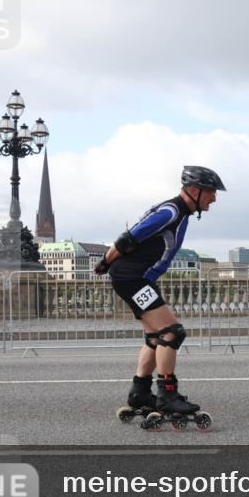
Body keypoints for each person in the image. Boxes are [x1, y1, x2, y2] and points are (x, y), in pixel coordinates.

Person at [94, 166, 226, 426]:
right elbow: (129, 237)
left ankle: (140, 393)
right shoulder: (171, 211)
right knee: (172, 332)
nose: (214, 198)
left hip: (136, 278)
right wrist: (106, 261)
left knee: (156, 336)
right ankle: (168, 395)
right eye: (211, 191)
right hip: (132, 278)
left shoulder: (181, 213)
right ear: (194, 190)